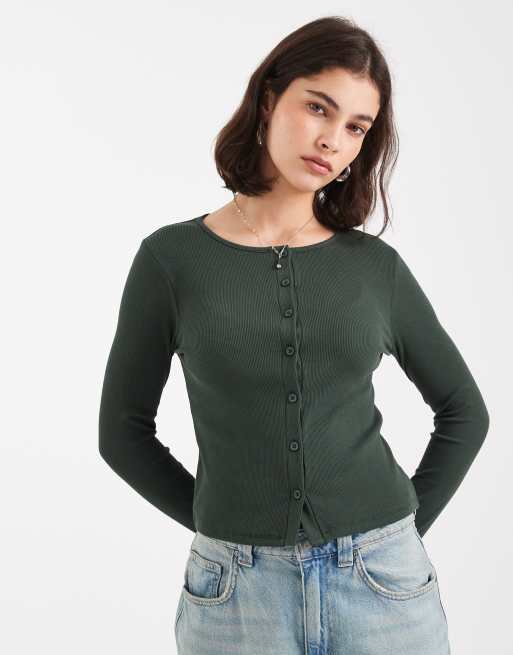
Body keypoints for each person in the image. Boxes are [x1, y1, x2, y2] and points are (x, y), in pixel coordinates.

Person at [98, 15, 489, 655]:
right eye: (318, 108)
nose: (332, 139)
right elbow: (121, 433)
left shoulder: (373, 268)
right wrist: (219, 526)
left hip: (384, 587)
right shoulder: (171, 260)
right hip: (234, 597)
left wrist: (402, 533)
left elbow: (464, 411)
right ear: (268, 99)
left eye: (356, 127)